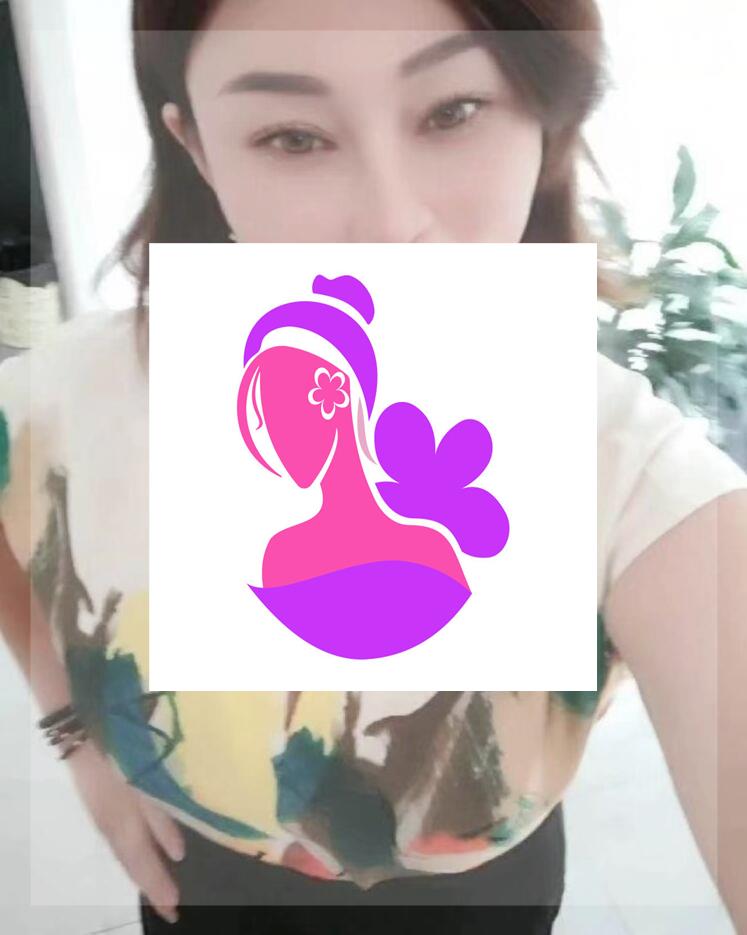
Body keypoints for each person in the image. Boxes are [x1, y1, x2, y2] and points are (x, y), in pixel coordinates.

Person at [0, 0, 745, 932]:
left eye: (452, 111)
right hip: (195, 892)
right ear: (198, 148)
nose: (391, 224)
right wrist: (75, 737)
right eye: (293, 137)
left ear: (543, 107)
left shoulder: (635, 472)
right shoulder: (74, 390)